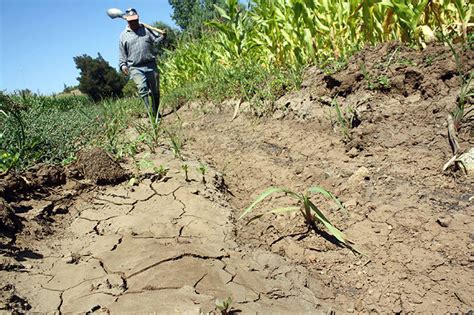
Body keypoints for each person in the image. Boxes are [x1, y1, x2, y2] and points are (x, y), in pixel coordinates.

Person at [119, 8, 166, 123]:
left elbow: (156, 40)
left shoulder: (147, 30)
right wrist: (123, 65)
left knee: (155, 91)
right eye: (130, 20)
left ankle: (156, 113)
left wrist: (163, 36)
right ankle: (150, 114)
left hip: (151, 64)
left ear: (138, 18)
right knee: (142, 89)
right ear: (127, 21)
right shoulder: (123, 36)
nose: (133, 22)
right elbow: (122, 53)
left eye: (135, 20)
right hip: (135, 67)